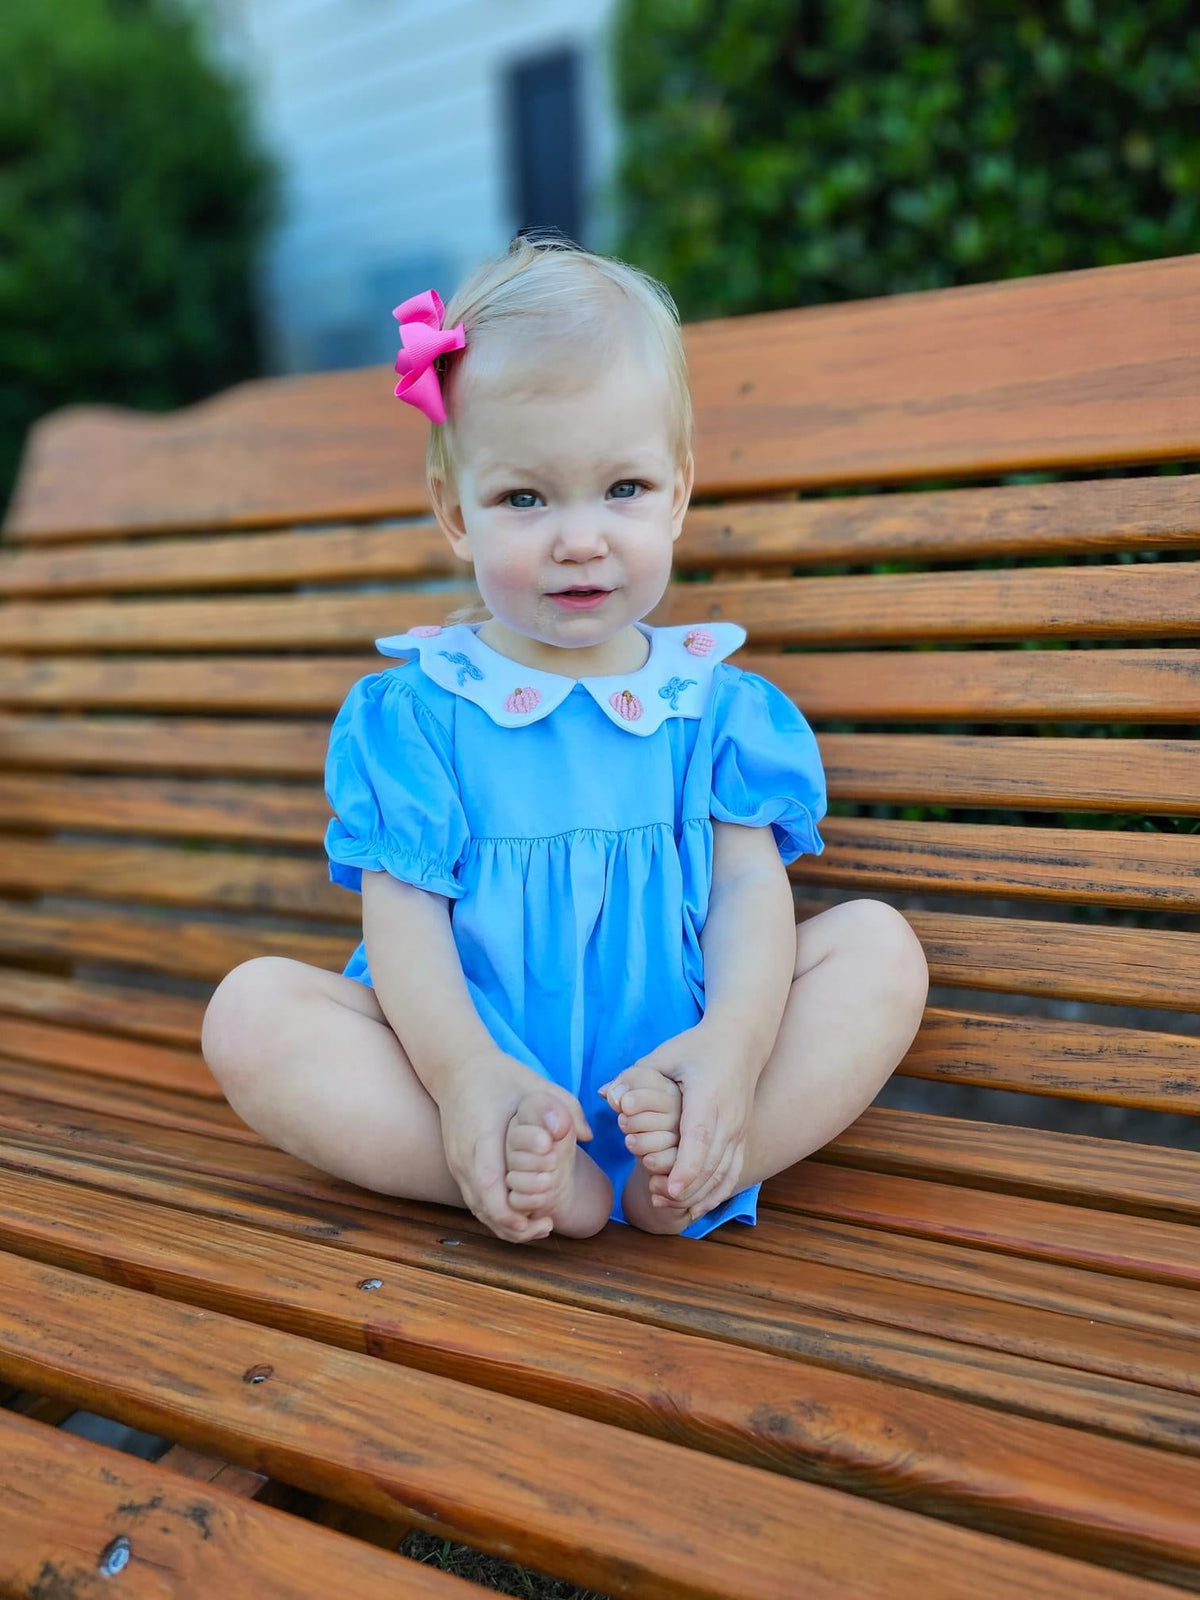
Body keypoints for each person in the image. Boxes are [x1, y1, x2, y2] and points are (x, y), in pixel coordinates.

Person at [200, 234, 929, 1245]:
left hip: (684, 1066)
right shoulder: (418, 712)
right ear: (457, 513)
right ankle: (505, 1165)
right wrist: (463, 1078)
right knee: (248, 1012)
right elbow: (401, 923)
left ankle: (707, 1155)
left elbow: (749, 894)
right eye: (525, 498)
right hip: (470, 1066)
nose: (578, 538)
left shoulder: (711, 703)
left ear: (677, 492)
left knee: (881, 951)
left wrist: (733, 1045)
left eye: (622, 490)